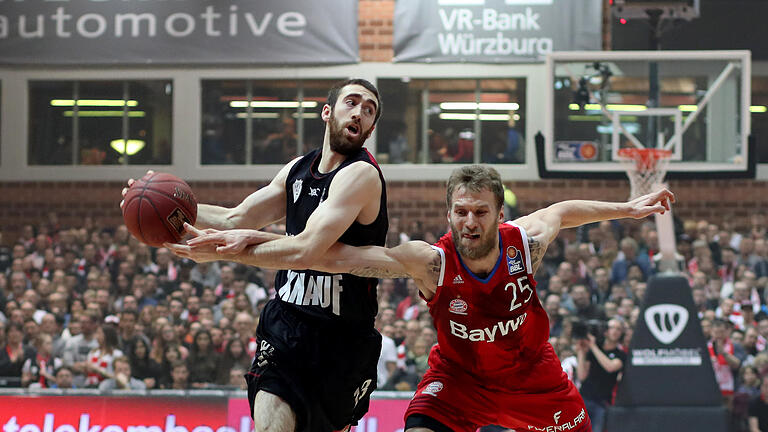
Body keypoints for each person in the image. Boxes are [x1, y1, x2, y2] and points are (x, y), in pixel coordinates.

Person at [174, 165, 674, 432]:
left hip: (534, 380)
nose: (469, 222)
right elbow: (334, 257)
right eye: (461, 211)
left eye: (480, 211)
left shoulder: (527, 243)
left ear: (499, 213)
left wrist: (629, 209)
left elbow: (563, 210)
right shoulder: (429, 262)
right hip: (459, 382)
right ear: (449, 212)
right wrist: (234, 248)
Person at [158, 78, 386, 432]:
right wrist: (167, 204)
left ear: (369, 129)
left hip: (344, 336)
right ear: (328, 112)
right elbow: (236, 218)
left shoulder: (360, 174)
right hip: (288, 323)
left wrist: (227, 252)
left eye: (368, 110)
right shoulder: (297, 170)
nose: (359, 112)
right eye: (352, 102)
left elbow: (307, 248)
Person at [575, 318, 627, 432]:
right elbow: (582, 376)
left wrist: (593, 347)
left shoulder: (621, 354)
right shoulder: (594, 350)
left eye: (618, 329)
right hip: (584, 398)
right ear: (605, 331)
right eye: (612, 327)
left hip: (601, 402)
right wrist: (581, 352)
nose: (615, 331)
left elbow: (610, 367)